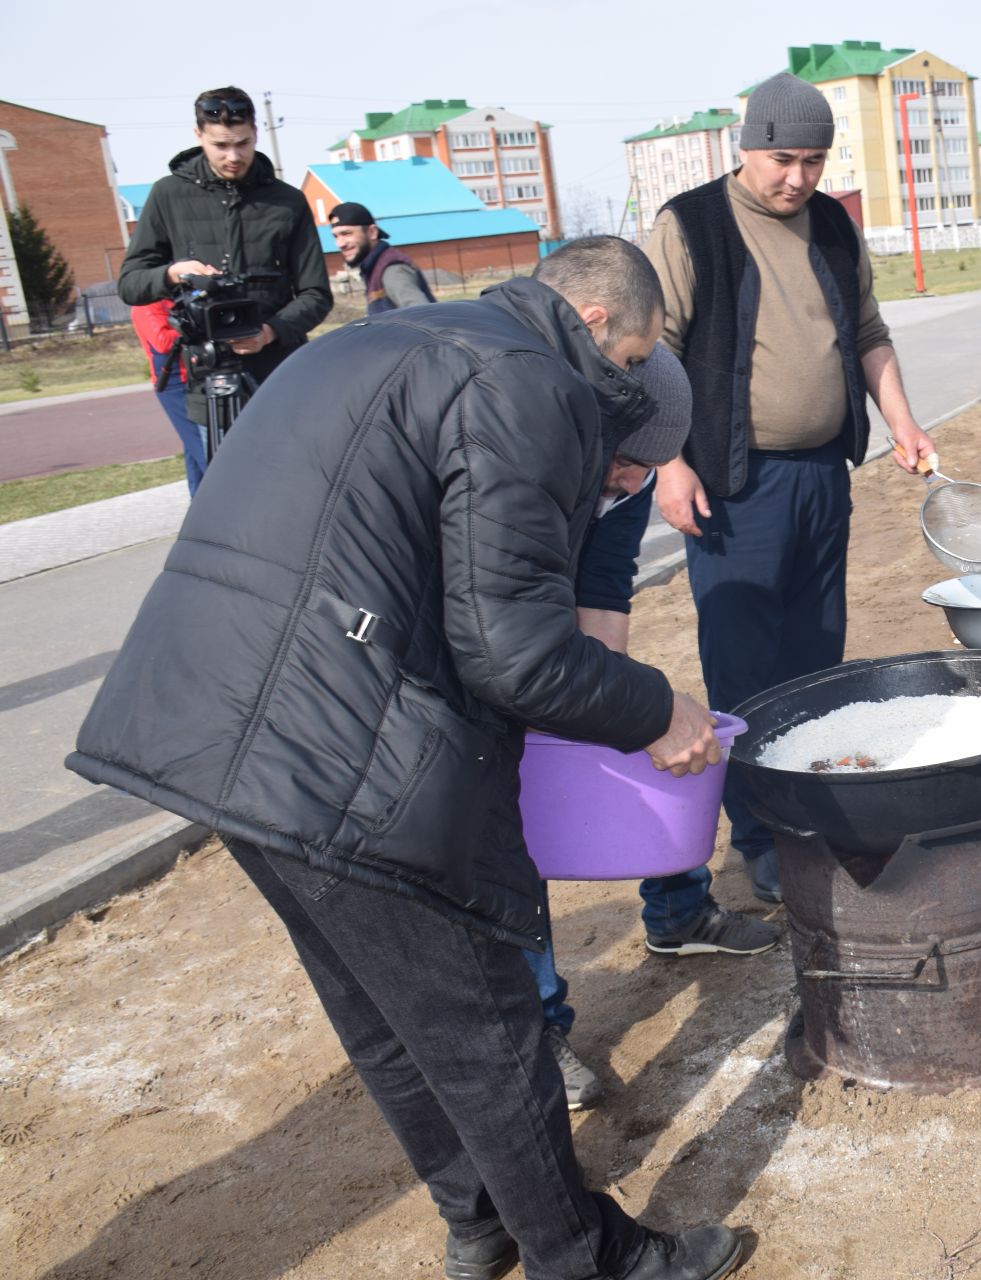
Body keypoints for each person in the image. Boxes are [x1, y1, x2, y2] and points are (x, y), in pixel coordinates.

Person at [68, 237, 744, 1280]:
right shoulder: (531, 383)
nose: (613, 436)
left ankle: (477, 1218)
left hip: (209, 727)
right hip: (328, 741)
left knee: (383, 1009)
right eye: (628, 369)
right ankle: (582, 1253)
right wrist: (656, 707)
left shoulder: (397, 339)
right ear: (600, 325)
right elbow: (513, 651)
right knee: (488, 1021)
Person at [643, 72, 935, 905]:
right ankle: (761, 837)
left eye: (812, 161)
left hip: (821, 476)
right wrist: (669, 462)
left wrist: (903, 422)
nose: (797, 179)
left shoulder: (836, 227)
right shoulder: (692, 223)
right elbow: (653, 350)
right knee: (743, 667)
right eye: (782, 159)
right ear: (746, 145)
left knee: (816, 657)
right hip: (732, 483)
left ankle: (812, 817)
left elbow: (870, 334)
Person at [530, 350, 781, 1113]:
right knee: (498, 820)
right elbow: (497, 614)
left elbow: (605, 584)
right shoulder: (530, 462)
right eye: (627, 464)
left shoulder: (627, 474)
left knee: (643, 721)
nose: (635, 483)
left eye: (652, 466)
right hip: (488, 617)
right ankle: (537, 1029)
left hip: (551, 613)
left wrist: (608, 708)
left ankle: (678, 912)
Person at [117, 87, 331, 430]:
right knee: (223, 481)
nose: (233, 156)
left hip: (279, 372)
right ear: (198, 135)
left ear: (256, 134)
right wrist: (173, 273)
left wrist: (270, 332)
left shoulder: (288, 201)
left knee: (292, 479)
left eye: (243, 143)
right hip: (207, 375)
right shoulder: (167, 195)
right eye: (220, 145)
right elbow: (130, 284)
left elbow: (316, 294)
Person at [129, 299, 205, 494]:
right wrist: (199, 327)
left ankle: (198, 505)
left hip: (193, 376)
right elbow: (162, 342)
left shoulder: (176, 297)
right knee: (201, 447)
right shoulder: (145, 304)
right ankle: (222, 496)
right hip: (174, 383)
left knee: (193, 448)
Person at [329, 202, 436, 312]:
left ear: (372, 232)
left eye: (347, 233)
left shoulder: (392, 270)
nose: (340, 244)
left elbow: (424, 317)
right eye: (335, 236)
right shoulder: (373, 269)